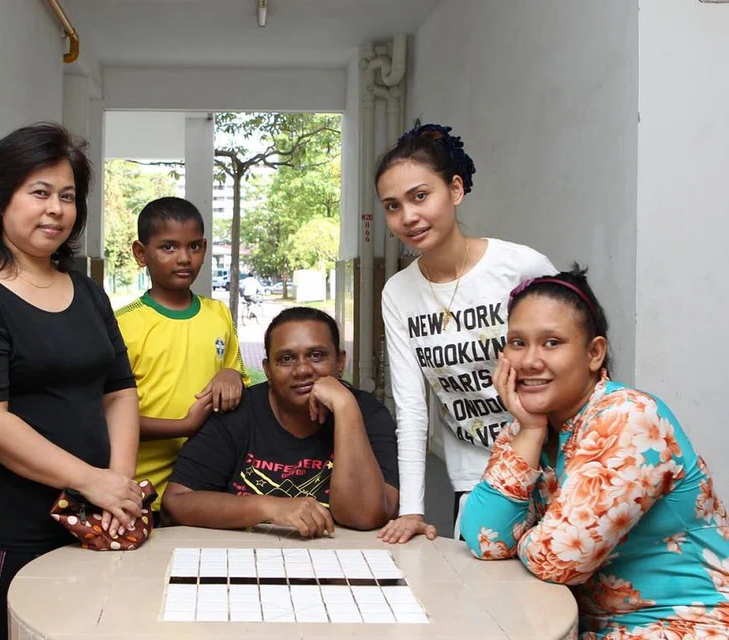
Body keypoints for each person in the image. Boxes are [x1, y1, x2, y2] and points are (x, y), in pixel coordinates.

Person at [0, 123, 143, 639]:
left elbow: (119, 393)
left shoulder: (89, 294)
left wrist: (115, 489)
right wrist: (90, 480)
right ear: (0, 199)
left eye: (67, 197)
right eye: (40, 193)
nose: (56, 209)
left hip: (88, 526)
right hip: (5, 533)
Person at [460, 268, 729, 637]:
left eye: (552, 342)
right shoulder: (528, 429)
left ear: (594, 353)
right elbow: (484, 540)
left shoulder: (629, 418)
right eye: (517, 343)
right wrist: (530, 432)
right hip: (585, 628)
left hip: (684, 627)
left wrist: (533, 537)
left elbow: (557, 561)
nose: (529, 361)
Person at [376, 122, 556, 543]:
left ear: (455, 190)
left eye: (420, 196)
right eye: (393, 206)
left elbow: (577, 354)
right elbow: (412, 408)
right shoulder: (399, 292)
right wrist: (412, 510)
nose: (409, 217)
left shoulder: (519, 267)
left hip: (553, 459)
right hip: (476, 474)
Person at [162, 307, 399, 536]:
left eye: (316, 355)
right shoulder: (238, 413)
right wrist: (268, 507)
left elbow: (365, 516)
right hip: (245, 561)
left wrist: (346, 408)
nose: (303, 370)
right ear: (267, 370)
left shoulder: (368, 413)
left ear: (340, 362)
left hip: (342, 562)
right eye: (286, 359)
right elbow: (176, 503)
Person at [116, 197, 248, 524]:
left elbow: (238, 385)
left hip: (206, 491)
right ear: (141, 253)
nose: (185, 258)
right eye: (169, 247)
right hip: (140, 496)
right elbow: (107, 418)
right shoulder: (121, 324)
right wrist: (183, 427)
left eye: (195, 246)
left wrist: (231, 374)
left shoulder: (218, 314)